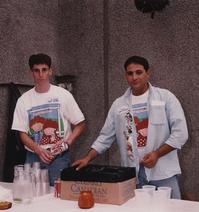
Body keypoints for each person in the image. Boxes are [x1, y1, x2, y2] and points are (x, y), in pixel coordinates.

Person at [72, 56, 188, 199]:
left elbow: (181, 133)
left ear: (148, 73)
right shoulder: (118, 105)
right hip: (133, 175)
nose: (134, 77)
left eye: (139, 72)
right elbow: (105, 137)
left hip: (163, 172)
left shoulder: (166, 97)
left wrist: (157, 154)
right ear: (125, 75)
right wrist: (87, 158)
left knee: (172, 209)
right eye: (130, 73)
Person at [12, 53, 86, 185]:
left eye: (44, 70)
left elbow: (80, 124)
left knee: (59, 197)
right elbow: (21, 133)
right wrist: (37, 149)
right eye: (36, 70)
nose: (41, 74)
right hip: (33, 157)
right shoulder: (23, 100)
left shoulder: (63, 95)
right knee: (32, 196)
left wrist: (67, 142)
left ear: (50, 71)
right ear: (31, 73)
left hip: (59, 157)